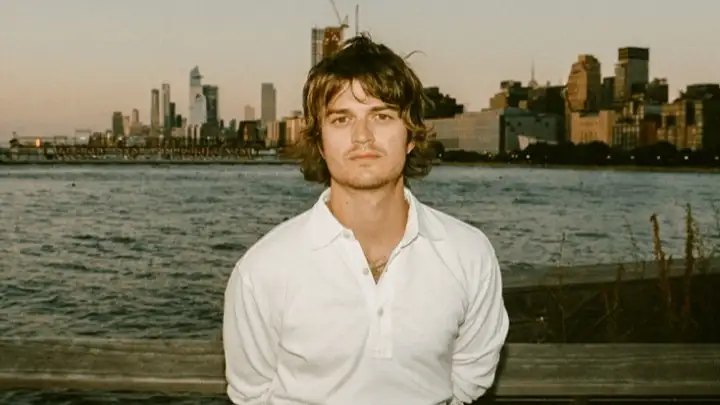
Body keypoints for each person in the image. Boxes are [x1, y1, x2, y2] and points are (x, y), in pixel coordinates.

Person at [223, 35, 509, 405]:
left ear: (411, 135)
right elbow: (252, 394)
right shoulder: (262, 270)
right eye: (341, 119)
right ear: (320, 142)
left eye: (382, 116)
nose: (362, 136)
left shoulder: (469, 255)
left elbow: (470, 379)